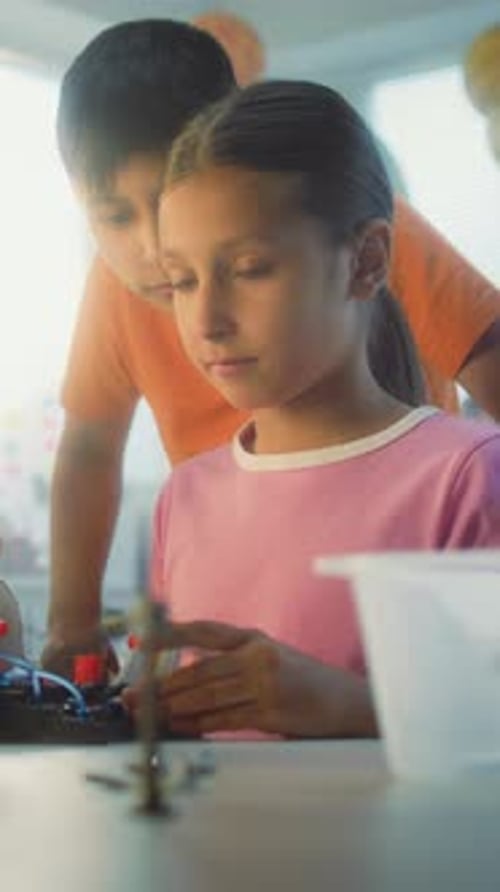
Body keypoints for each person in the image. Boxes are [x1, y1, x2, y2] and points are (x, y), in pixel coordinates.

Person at [43, 18, 500, 675]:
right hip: (238, 560)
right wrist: (73, 624)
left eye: (251, 267)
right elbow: (88, 447)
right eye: (116, 217)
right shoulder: (186, 495)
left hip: (406, 558)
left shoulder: (351, 225)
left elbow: (487, 346)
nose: (148, 246)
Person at [122, 80, 500, 739]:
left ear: (367, 260)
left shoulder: (466, 478)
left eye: (250, 268)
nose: (206, 320)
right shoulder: (184, 496)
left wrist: (353, 707)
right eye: (182, 280)